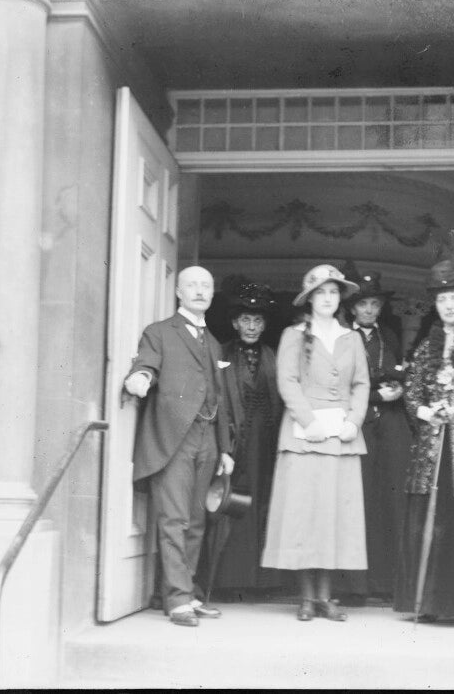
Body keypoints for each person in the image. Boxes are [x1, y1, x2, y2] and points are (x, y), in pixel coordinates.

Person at [123, 265, 234, 628]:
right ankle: (177, 600)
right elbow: (147, 364)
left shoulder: (213, 341)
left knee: (197, 521)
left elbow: (219, 397)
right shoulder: (159, 333)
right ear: (179, 292)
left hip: (207, 439)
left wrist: (225, 449)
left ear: (212, 293)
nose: (200, 291)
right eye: (192, 285)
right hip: (175, 438)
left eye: (206, 285)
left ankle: (186, 591)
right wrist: (140, 377)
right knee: (174, 519)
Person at [261, 264, 370, 622]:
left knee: (334, 517)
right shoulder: (294, 335)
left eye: (334, 292)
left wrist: (354, 420)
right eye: (321, 292)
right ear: (309, 299)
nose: (328, 298)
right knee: (303, 516)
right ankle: (306, 598)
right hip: (304, 437)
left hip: (341, 437)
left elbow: (361, 384)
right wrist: (308, 421)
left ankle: (326, 597)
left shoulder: (352, 338)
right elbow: (287, 381)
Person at [394, 259, 454, 623]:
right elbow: (411, 392)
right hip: (430, 447)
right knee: (427, 521)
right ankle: (425, 604)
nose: (449, 306)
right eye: (442, 300)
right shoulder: (424, 347)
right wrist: (426, 411)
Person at [202, 282, 283, 599]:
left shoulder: (272, 356)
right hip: (233, 443)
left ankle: (260, 584)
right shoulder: (221, 354)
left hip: (265, 443)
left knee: (261, 506)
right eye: (246, 320)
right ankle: (225, 582)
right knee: (230, 506)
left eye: (258, 321)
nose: (251, 326)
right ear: (236, 322)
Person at [337, 270, 411, 602]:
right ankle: (354, 587)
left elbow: (398, 374)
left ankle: (386, 584)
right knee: (357, 501)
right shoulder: (341, 337)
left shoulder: (390, 337)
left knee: (389, 500)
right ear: (352, 308)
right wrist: (380, 395)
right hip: (358, 424)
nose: (368, 310)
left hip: (390, 426)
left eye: (374, 304)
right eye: (363, 304)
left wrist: (397, 387)